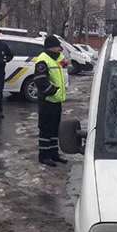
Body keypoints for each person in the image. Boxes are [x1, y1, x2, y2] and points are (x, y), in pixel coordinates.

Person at [33, 35, 68, 167]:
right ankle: (44, 155)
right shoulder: (43, 60)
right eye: (57, 46)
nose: (59, 49)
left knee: (54, 129)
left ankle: (54, 154)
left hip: (57, 100)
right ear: (51, 47)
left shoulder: (58, 58)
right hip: (47, 100)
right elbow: (40, 80)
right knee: (45, 129)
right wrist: (53, 91)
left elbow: (64, 68)